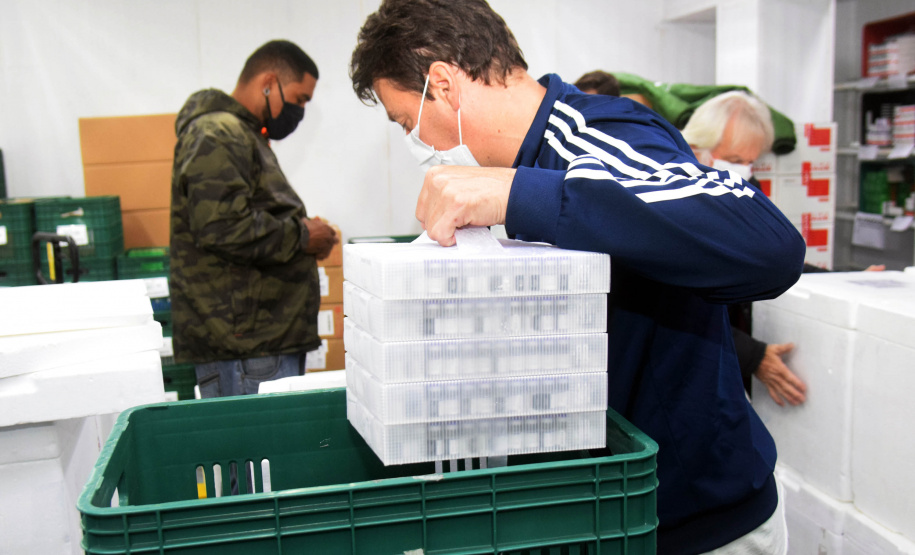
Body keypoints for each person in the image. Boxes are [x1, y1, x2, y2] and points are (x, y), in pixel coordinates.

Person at [350, 1, 806, 553]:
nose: (414, 141)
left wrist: (519, 195)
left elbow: (769, 245)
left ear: (442, 85)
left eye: (407, 122)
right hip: (593, 513)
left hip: (694, 522)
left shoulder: (597, 136)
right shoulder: (499, 176)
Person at [170, 40, 338, 398]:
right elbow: (221, 227)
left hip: (258, 341)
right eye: (300, 98)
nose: (300, 109)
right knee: (257, 452)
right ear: (269, 81)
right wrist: (303, 237)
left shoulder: (242, 135)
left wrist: (304, 230)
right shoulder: (217, 134)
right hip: (247, 346)